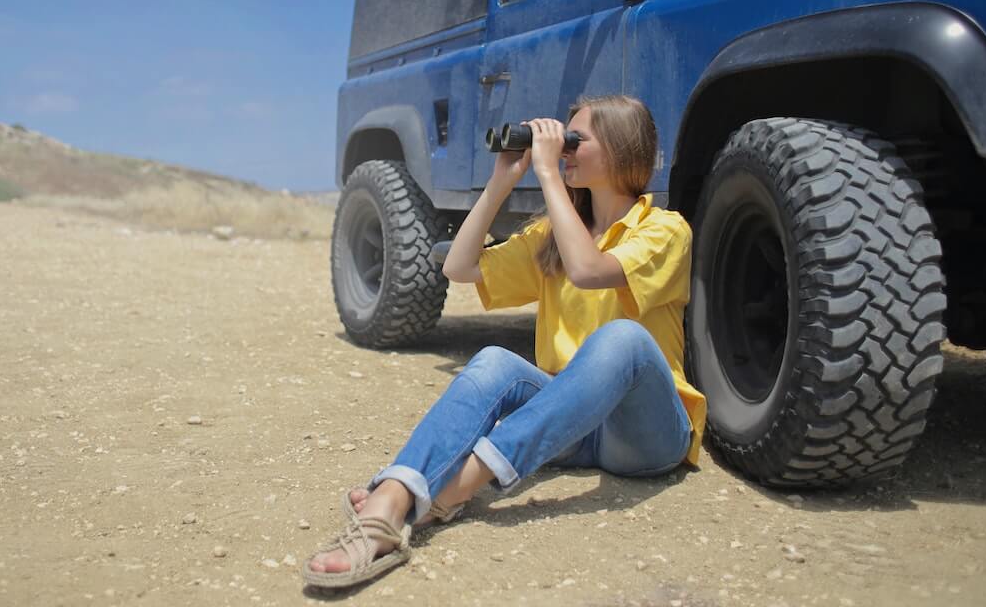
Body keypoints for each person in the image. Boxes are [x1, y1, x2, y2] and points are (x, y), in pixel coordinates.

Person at [302, 95, 707, 589]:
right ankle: (393, 497)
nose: (564, 151)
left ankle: (452, 488)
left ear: (623, 149)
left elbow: (587, 271)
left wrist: (551, 178)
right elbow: (459, 267)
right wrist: (501, 182)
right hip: (571, 428)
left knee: (623, 339)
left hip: (644, 437)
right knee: (495, 360)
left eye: (576, 141)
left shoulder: (666, 230)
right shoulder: (555, 234)